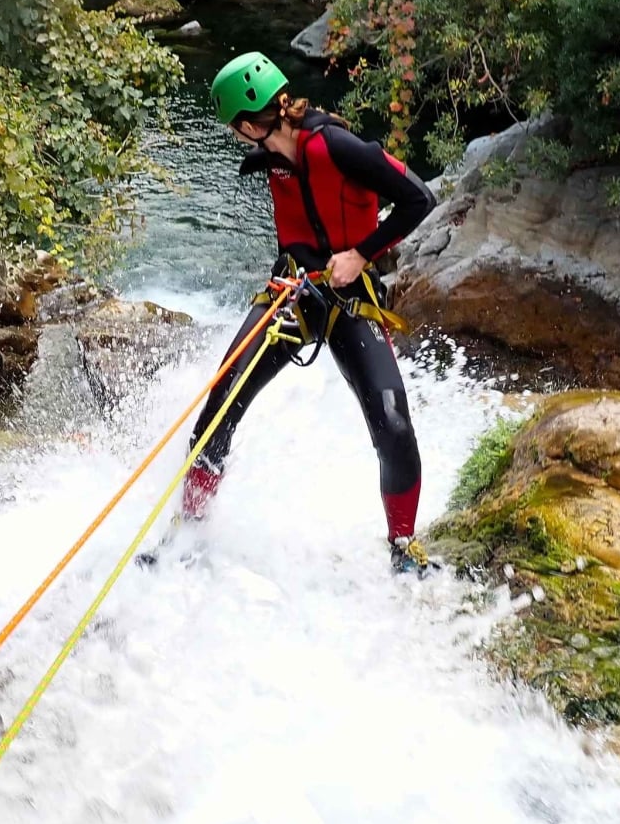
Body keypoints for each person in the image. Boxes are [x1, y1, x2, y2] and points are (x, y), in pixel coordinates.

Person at [186, 51, 438, 574]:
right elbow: (275, 172)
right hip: (291, 294)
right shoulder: (272, 152)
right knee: (221, 402)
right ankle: (185, 536)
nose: (234, 136)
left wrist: (362, 254)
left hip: (349, 298)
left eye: (234, 126)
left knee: (392, 424)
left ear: (252, 123)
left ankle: (403, 547)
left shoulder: (340, 147)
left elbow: (419, 197)